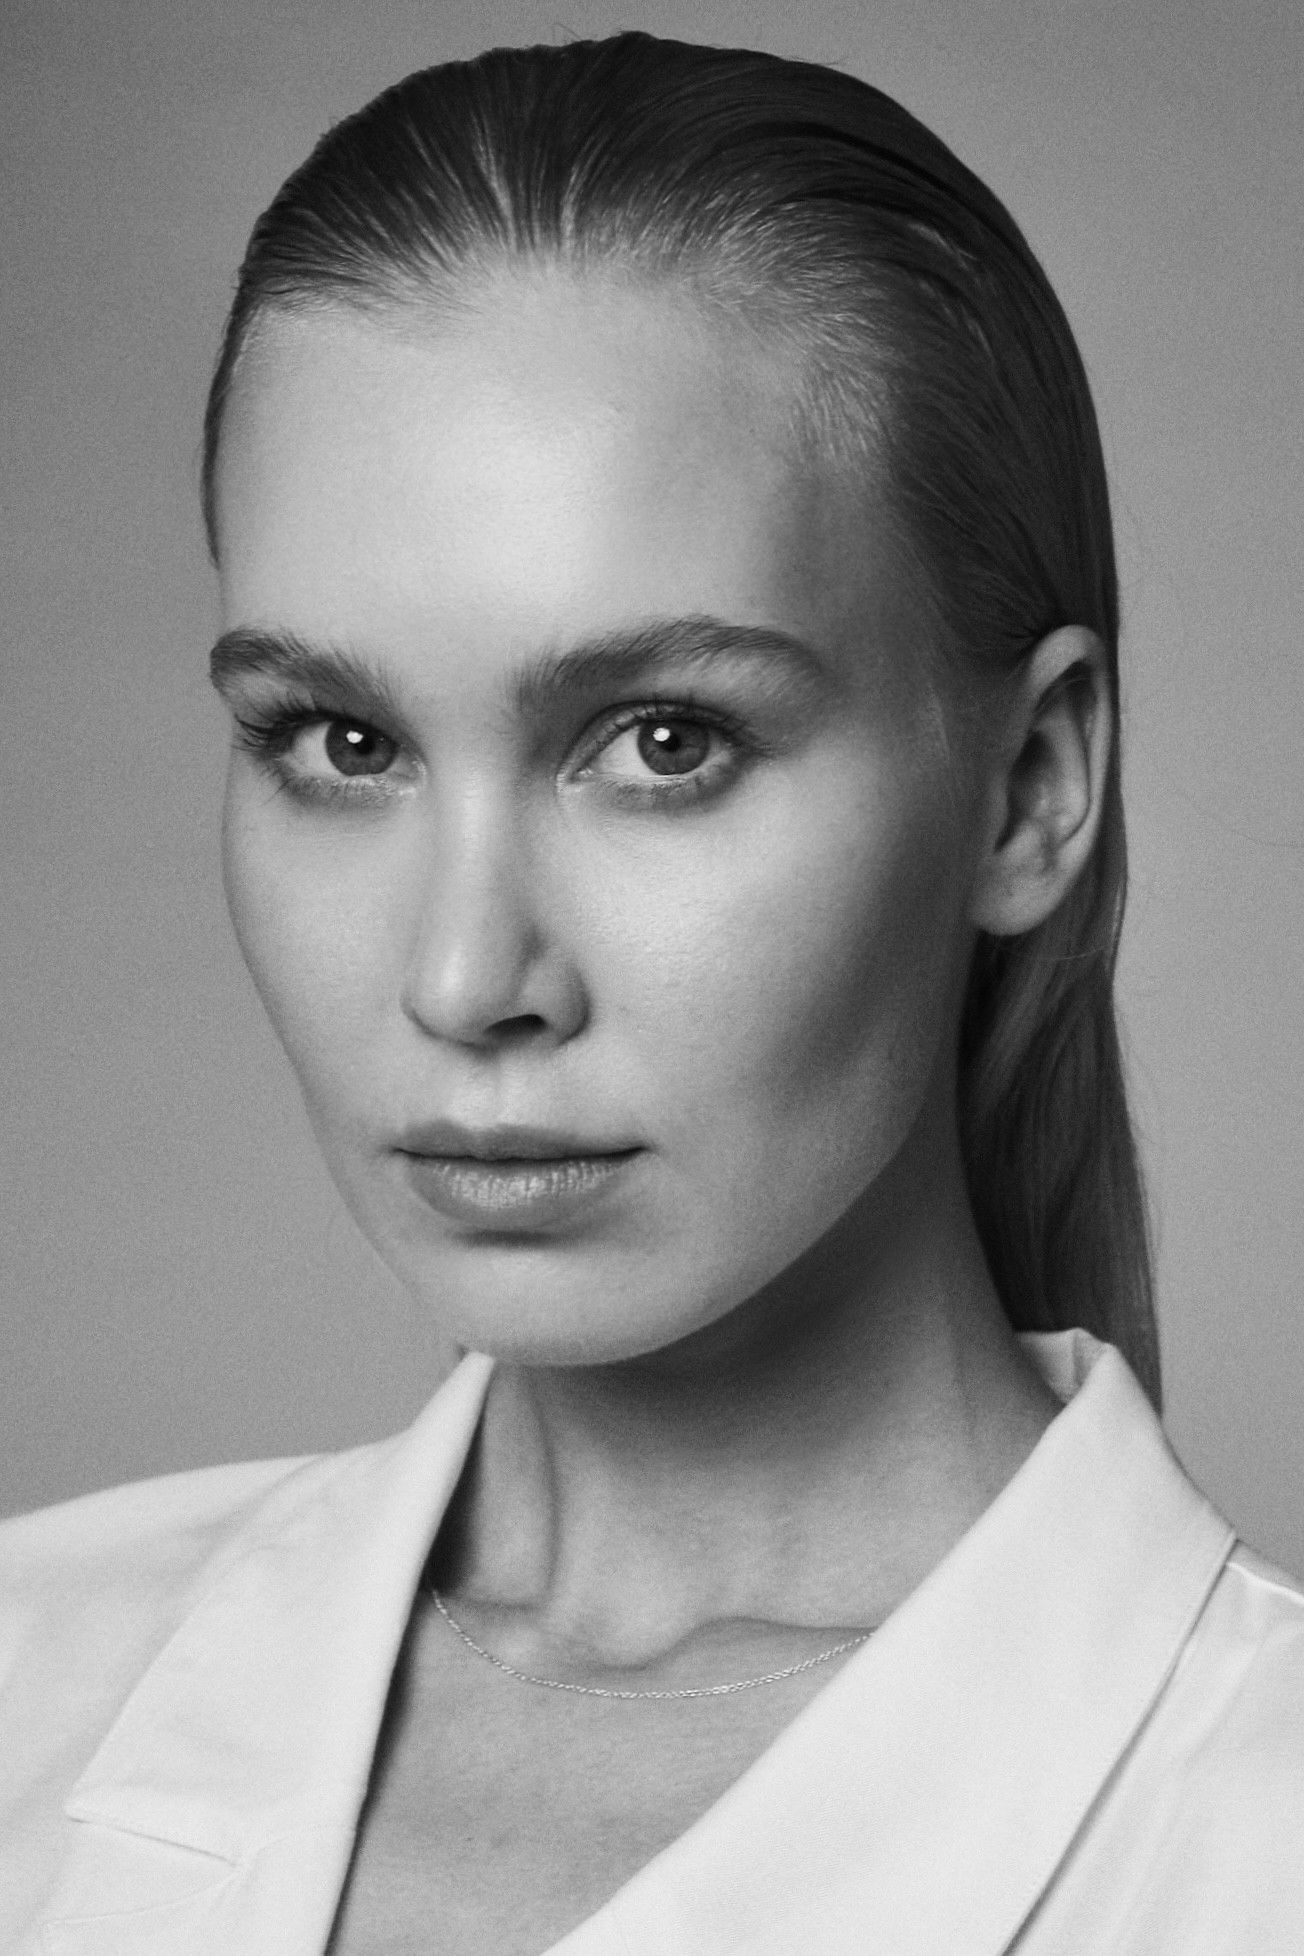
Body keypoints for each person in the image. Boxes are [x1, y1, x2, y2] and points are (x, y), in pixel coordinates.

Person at [1, 30, 1300, 1956]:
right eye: (342, 741)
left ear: (1032, 788)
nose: (466, 980)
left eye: (665, 742)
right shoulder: (32, 1669)